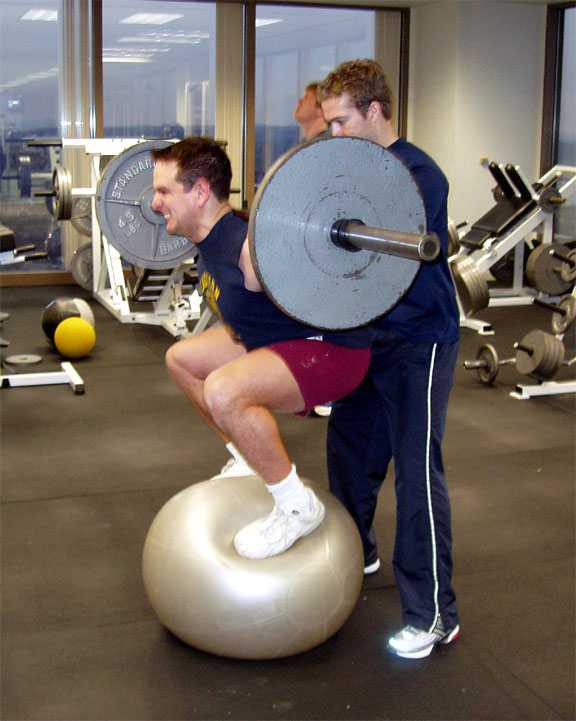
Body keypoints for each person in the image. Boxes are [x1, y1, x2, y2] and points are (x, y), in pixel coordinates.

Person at [150, 137, 371, 560]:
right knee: (182, 360)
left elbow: (325, 280)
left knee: (224, 390)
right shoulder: (210, 241)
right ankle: (247, 459)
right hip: (272, 340)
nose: (155, 203)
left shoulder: (247, 245)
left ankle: (297, 506)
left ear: (199, 192)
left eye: (164, 191)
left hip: (331, 351)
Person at [317, 59, 461, 659]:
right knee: (349, 452)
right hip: (367, 337)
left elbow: (389, 255)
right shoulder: (349, 169)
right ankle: (358, 553)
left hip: (418, 340)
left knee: (416, 472)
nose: (334, 134)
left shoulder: (420, 174)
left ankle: (434, 615)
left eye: (342, 121)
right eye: (328, 123)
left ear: (375, 111)